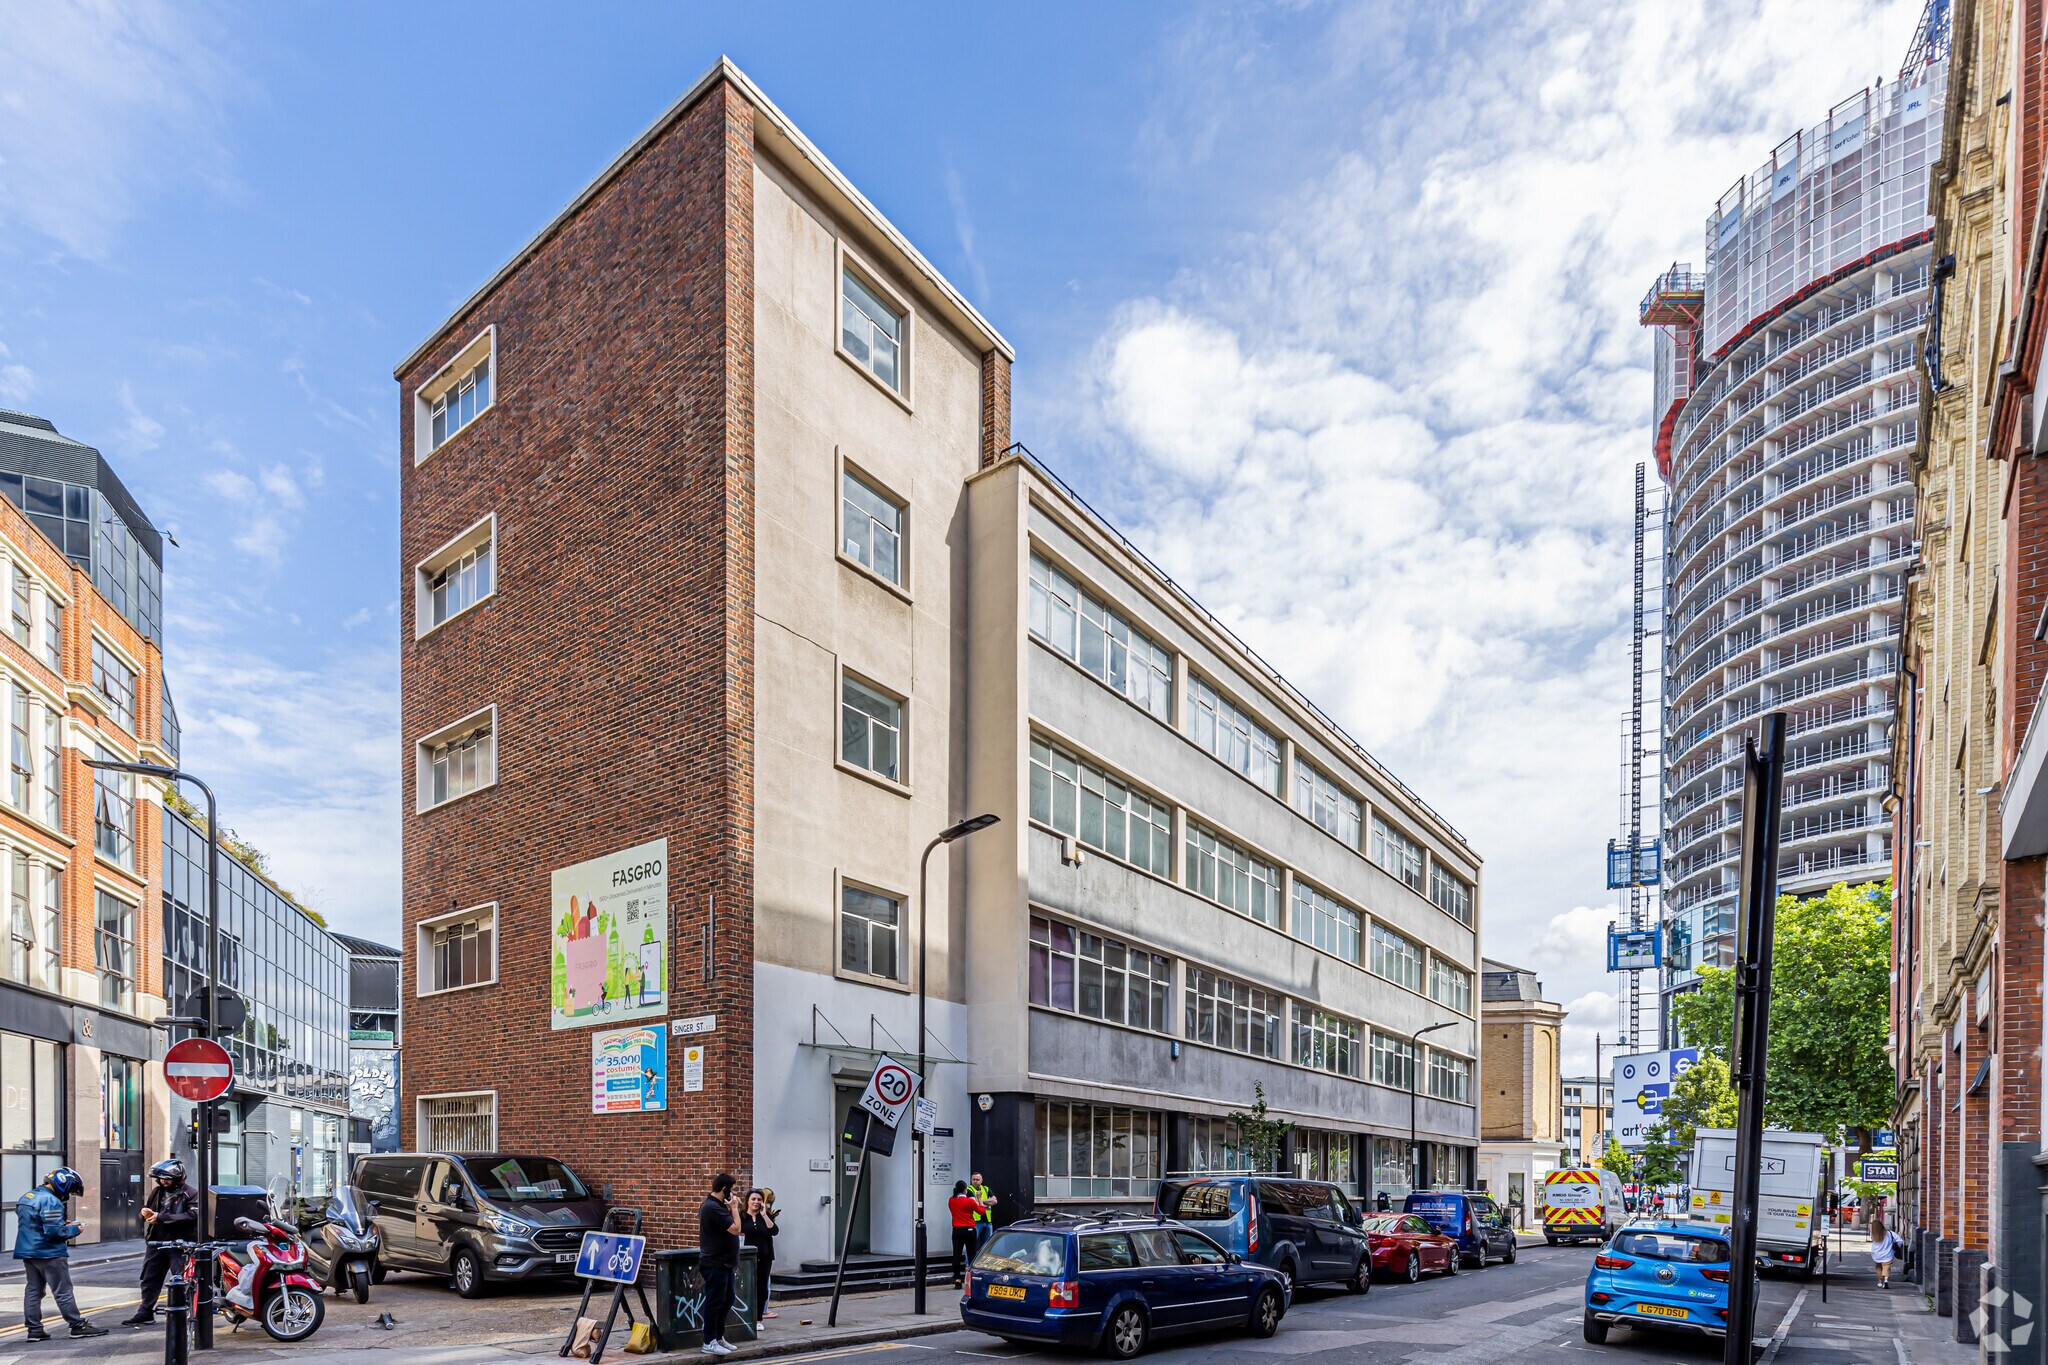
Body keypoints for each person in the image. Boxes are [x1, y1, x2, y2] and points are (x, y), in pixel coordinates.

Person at [12, 1167, 108, 1341]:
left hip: (29, 1252)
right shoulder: (51, 1201)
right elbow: (55, 1233)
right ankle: (77, 1326)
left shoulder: (27, 1197)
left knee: (33, 1291)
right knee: (63, 1291)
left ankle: (34, 1330)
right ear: (63, 1183)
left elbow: (37, 1225)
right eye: (70, 1190)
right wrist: (74, 1229)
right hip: (49, 1253)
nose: (69, 1195)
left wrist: (62, 1224)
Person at [122, 1159, 198, 1325]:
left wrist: (162, 1217)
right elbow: (149, 1210)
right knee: (149, 1278)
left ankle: (183, 1311)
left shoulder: (191, 1193)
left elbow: (193, 1216)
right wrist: (145, 1213)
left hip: (179, 1245)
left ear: (178, 1177)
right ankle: (146, 1312)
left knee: (181, 1279)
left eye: (167, 1179)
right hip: (156, 1242)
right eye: (161, 1179)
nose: (164, 1182)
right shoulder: (157, 1191)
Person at [697, 1173, 742, 1356]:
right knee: (714, 1303)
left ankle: (718, 1336)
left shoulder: (717, 1206)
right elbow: (736, 1229)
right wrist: (735, 1208)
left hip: (725, 1264)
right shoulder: (713, 1207)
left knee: (727, 1300)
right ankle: (709, 1341)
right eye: (732, 1189)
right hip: (715, 1263)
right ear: (725, 1189)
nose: (733, 1193)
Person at [740, 1189, 778, 1325]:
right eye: (753, 1199)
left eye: (759, 1200)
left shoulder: (766, 1216)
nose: (756, 1202)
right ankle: (745, 1316)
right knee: (746, 1287)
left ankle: (758, 1319)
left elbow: (774, 1231)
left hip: (765, 1256)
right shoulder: (741, 1216)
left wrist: (764, 1215)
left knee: (762, 1289)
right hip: (746, 1259)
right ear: (748, 1201)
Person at [948, 1181, 987, 1288]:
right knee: (972, 1255)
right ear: (965, 1190)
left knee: (956, 1254)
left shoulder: (951, 1200)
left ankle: (957, 1279)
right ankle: (972, 1279)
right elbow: (982, 1211)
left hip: (957, 1229)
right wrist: (979, 1198)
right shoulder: (969, 1201)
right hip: (969, 1229)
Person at [966, 1172, 997, 1249]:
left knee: (988, 1245)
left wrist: (980, 1200)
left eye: (977, 1179)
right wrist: (988, 1202)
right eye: (973, 1179)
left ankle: (984, 1261)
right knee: (972, 1244)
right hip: (975, 1221)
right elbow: (974, 1203)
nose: (975, 1181)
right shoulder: (968, 1190)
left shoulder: (986, 1189)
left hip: (988, 1221)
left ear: (981, 1180)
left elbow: (995, 1201)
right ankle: (969, 1261)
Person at [1869, 1216, 1902, 1287]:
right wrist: (1895, 1247)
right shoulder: (1890, 1233)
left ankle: (1880, 1282)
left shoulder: (1873, 1235)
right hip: (1888, 1254)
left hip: (1876, 1254)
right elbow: (1900, 1240)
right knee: (1886, 1267)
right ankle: (1886, 1280)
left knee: (1878, 1267)